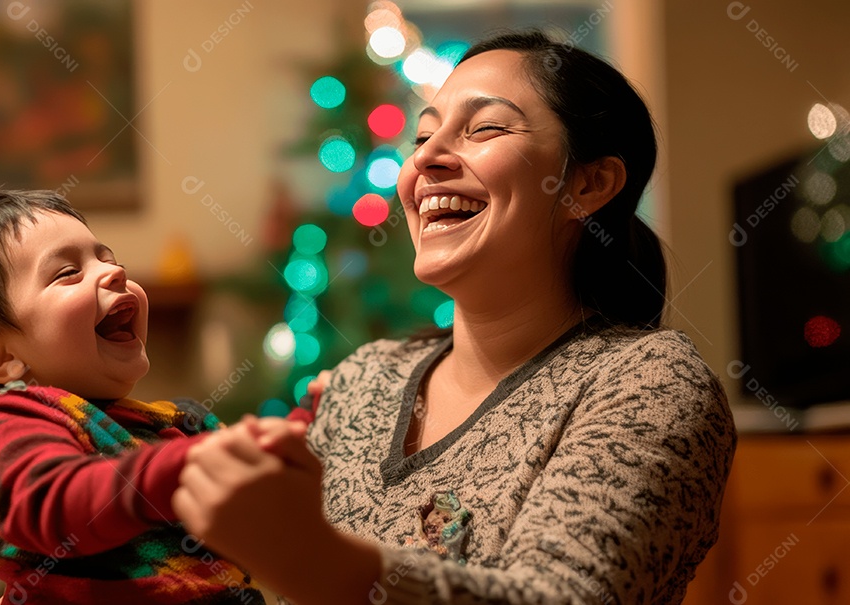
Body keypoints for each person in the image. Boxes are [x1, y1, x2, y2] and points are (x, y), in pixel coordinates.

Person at [172, 29, 737, 604]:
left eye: (485, 127)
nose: (425, 158)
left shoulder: (649, 382)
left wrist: (310, 556)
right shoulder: (362, 379)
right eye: (422, 135)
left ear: (589, 184)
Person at [0, 189, 304, 604]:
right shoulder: (19, 418)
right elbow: (50, 504)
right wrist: (189, 465)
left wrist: (301, 433)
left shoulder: (179, 423)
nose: (114, 274)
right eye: (67, 273)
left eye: (109, 260)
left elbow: (261, 507)